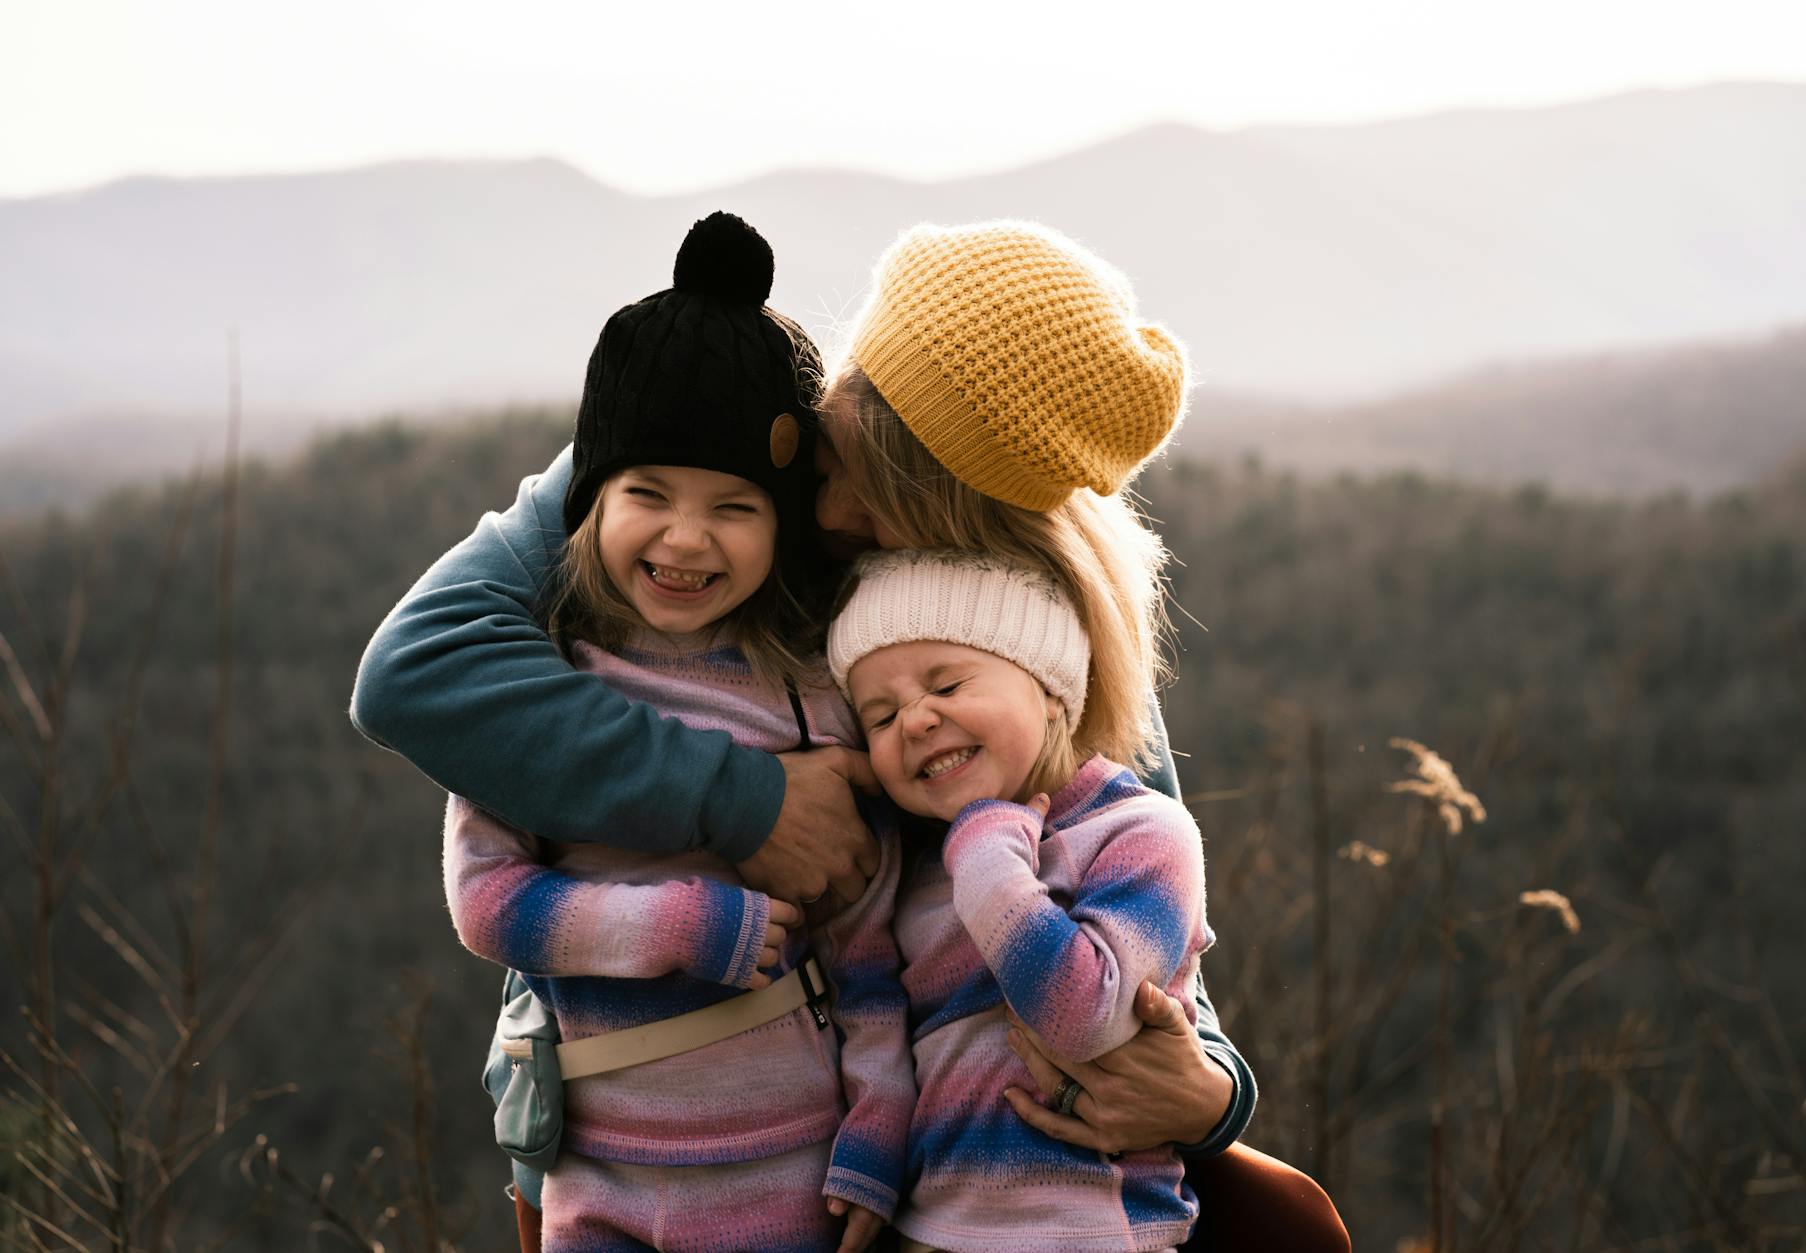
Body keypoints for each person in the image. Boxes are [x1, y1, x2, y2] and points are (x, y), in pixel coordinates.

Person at [352, 219, 1348, 1249]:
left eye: (875, 495)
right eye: (838, 443)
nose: (820, 501)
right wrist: (749, 802)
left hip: (915, 1138)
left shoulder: (1033, 619)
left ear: (966, 525)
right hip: (645, 1101)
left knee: (1289, 1224)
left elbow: (1135, 872)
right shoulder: (692, 431)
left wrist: (1207, 1088)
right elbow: (415, 671)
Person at [441, 212, 911, 1251]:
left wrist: (878, 1128)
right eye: (645, 493)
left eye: (734, 506)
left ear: (782, 522)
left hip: (787, 1171)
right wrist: (678, 926)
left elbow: (870, 944)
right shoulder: (544, 689)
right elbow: (485, 900)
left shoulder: (810, 695)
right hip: (594, 1176)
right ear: (587, 502)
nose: (686, 536)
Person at [828, 548, 1211, 1251]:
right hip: (930, 1228)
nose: (914, 721)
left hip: (1089, 1227)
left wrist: (985, 855)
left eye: (946, 683)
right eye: (879, 717)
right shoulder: (920, 871)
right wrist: (871, 1150)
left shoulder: (1142, 833)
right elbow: (874, 1010)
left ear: (1051, 687)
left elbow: (1082, 1016)